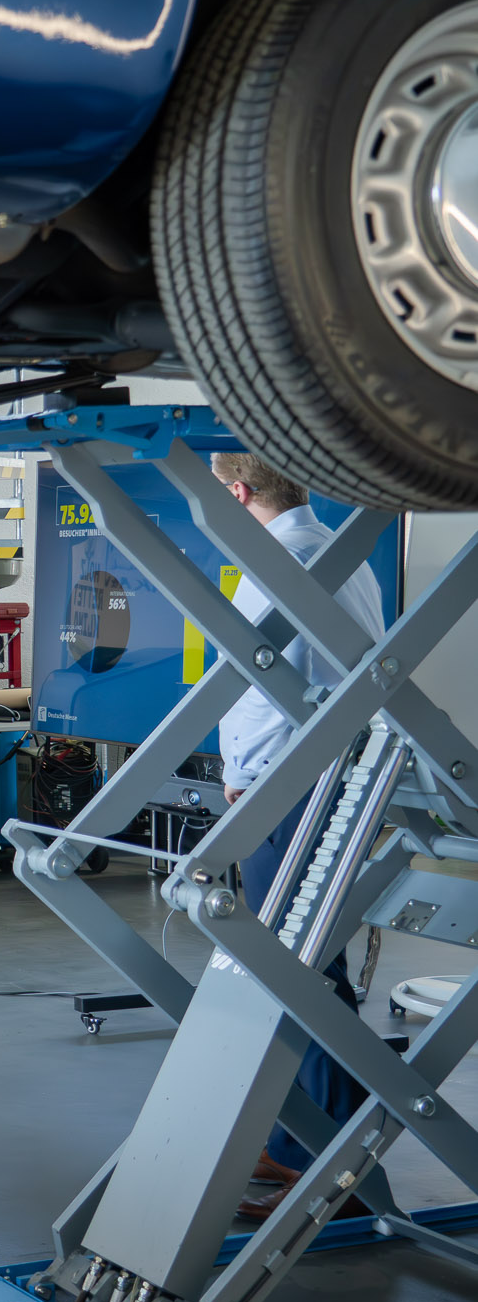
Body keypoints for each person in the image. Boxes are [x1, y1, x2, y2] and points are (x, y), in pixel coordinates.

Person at [209, 452, 390, 1221]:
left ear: (240, 493)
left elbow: (274, 690)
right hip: (329, 775)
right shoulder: (346, 557)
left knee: (297, 963)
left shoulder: (278, 561)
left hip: (286, 786)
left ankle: (323, 1154)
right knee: (311, 957)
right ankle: (319, 1139)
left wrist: (243, 773)